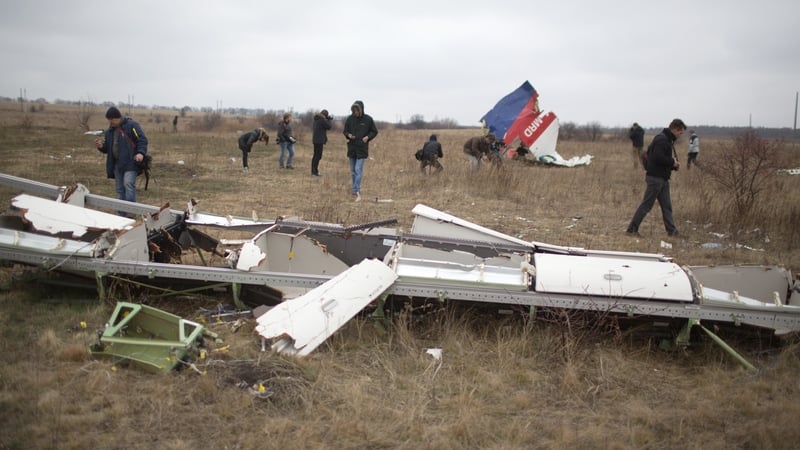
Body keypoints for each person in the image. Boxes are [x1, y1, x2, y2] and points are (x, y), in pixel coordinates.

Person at [626, 118, 686, 237]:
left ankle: (672, 232)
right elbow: (658, 158)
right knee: (646, 205)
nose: (680, 135)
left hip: (662, 178)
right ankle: (631, 230)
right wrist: (672, 162)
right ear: (674, 129)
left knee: (667, 207)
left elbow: (658, 159)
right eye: (680, 132)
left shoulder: (666, 139)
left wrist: (673, 166)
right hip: (655, 179)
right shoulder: (662, 140)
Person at [94, 106, 148, 212]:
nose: (110, 122)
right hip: (116, 165)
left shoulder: (132, 126)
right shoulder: (109, 131)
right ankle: (122, 215)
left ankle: (132, 212)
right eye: (109, 120)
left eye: (112, 119)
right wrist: (101, 147)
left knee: (128, 184)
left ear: (117, 117)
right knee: (120, 190)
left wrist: (140, 153)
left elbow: (142, 140)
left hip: (130, 163)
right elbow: (107, 148)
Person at [343, 100, 378, 202]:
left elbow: (374, 131)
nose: (356, 112)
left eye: (357, 110)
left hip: (362, 148)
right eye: (354, 110)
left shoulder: (368, 119)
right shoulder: (350, 119)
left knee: (358, 170)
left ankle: (356, 190)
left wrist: (367, 137)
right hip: (352, 148)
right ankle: (355, 190)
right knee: (353, 171)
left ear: (361, 109)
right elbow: (345, 131)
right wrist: (348, 135)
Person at [311, 109, 333, 176]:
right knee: (318, 156)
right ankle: (315, 171)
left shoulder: (316, 119)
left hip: (315, 140)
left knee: (315, 156)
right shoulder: (322, 120)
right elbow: (329, 127)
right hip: (319, 140)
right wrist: (329, 120)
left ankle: (313, 171)